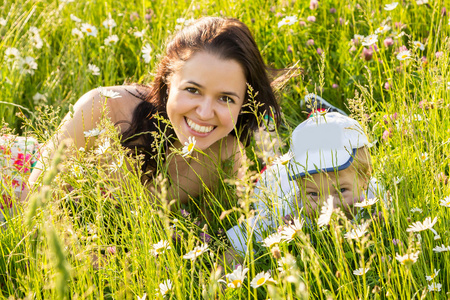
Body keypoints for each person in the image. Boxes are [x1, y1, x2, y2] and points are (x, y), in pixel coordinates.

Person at [17, 17, 281, 206]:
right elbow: (31, 202)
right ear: (168, 80)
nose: (204, 112)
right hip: (20, 171)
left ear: (244, 103)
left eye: (225, 98)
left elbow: (235, 230)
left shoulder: (224, 156)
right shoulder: (101, 107)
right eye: (192, 90)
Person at [227, 112, 384, 255]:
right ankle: (265, 132)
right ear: (299, 187)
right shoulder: (287, 212)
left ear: (365, 179)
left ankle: (316, 116)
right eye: (313, 194)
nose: (326, 205)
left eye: (341, 190)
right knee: (272, 160)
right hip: (275, 179)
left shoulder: (376, 195)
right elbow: (243, 241)